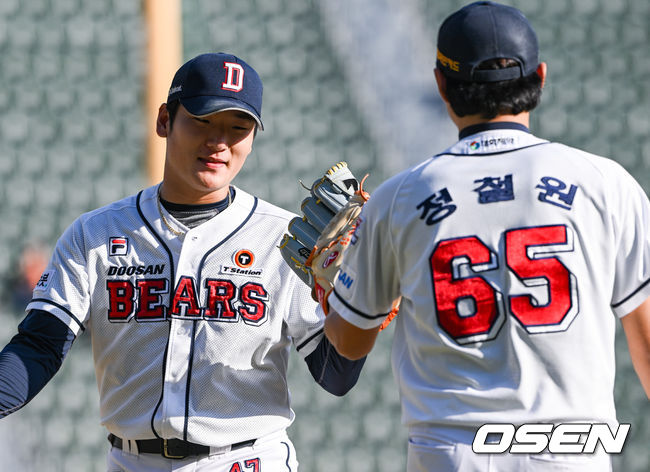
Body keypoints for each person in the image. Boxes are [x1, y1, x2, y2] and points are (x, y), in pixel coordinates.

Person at [322, 2, 650, 471]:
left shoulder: (397, 199)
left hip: (453, 456)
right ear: (539, 77)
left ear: (441, 84)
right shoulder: (606, 183)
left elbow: (349, 344)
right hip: (572, 454)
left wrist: (330, 289)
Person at [0, 52, 365, 471]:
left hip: (247, 461)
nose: (219, 142)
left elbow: (335, 376)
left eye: (238, 128)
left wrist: (359, 302)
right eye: (202, 121)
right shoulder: (94, 235)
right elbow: (39, 346)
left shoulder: (286, 242)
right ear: (164, 121)